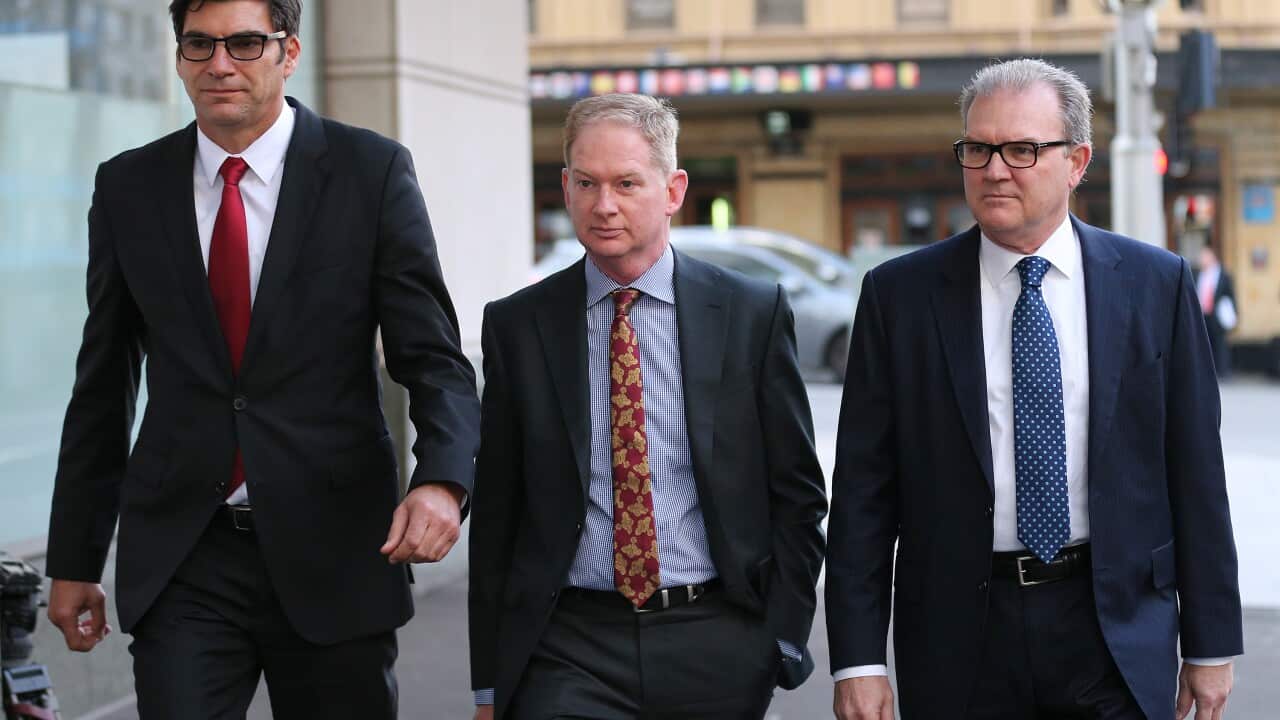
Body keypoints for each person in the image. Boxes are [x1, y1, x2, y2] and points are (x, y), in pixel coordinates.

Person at [43, 1, 480, 716]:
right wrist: (74, 558)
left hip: (336, 548)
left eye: (245, 43)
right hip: (186, 553)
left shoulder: (369, 172)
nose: (220, 64)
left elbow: (432, 357)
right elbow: (103, 382)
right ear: (179, 56)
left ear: (289, 52)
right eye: (199, 44)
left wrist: (442, 482)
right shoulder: (128, 186)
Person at [826, 59, 1242, 720]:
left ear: (1076, 161)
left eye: (1021, 149)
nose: (994, 169)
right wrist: (858, 659)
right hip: (960, 637)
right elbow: (863, 492)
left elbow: (1195, 470)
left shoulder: (1153, 285)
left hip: (1114, 628)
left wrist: (1211, 640)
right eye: (978, 149)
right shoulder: (899, 297)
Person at [468, 93, 827, 719]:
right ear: (566, 188)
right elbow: (498, 512)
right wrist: (489, 686)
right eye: (587, 183)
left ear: (673, 190)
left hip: (715, 637)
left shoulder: (750, 313)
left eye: (627, 183)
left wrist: (779, 638)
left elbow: (796, 491)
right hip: (568, 643)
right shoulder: (518, 325)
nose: (604, 205)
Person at [1196, 244, 1237, 379]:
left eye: (1204, 256)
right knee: (1205, 343)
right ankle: (1207, 371)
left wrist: (1234, 314)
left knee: (1220, 343)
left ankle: (1223, 371)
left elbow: (1231, 295)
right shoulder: (1198, 274)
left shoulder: (1223, 274)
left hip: (1217, 315)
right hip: (1203, 314)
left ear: (1212, 257)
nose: (1202, 259)